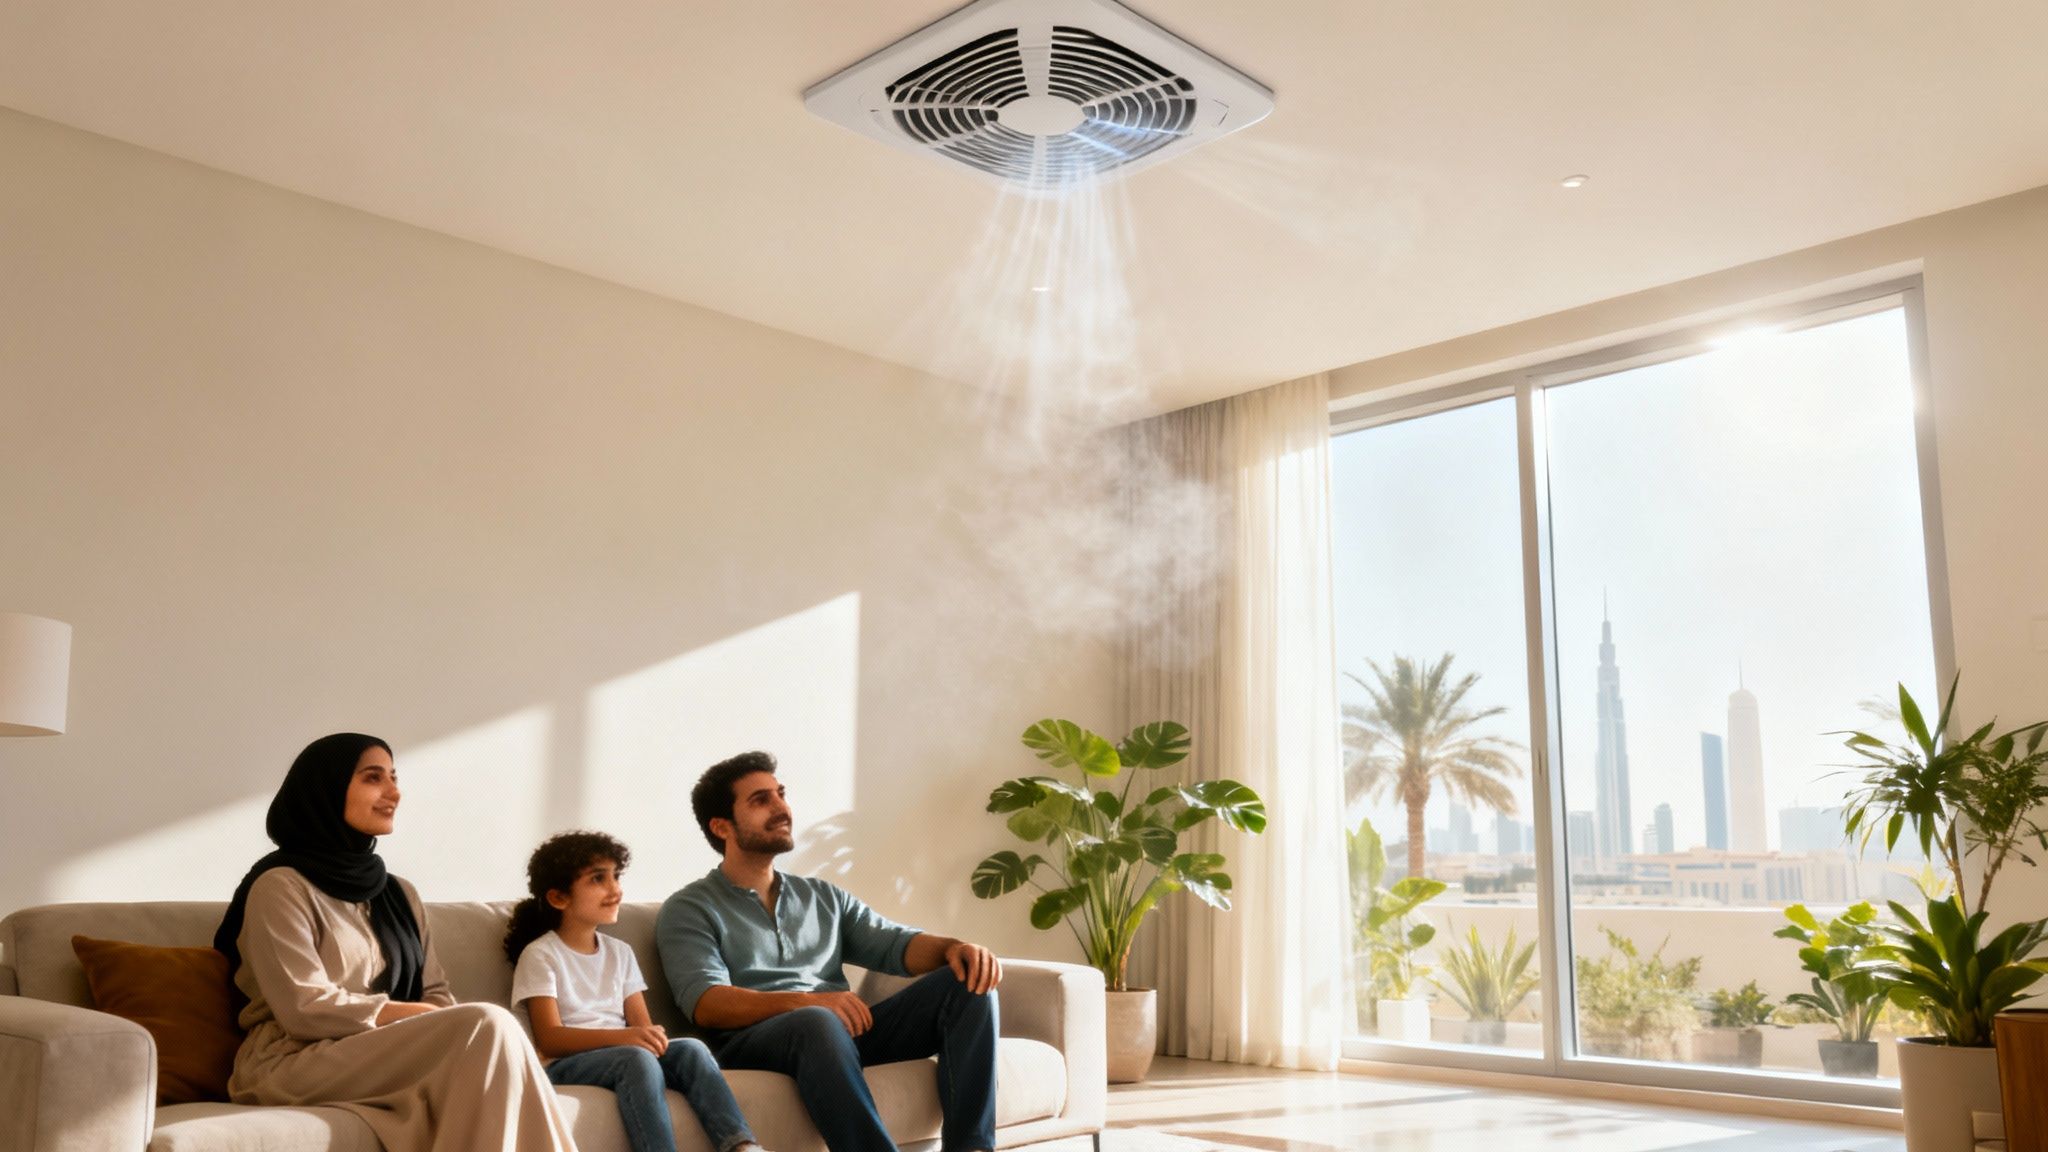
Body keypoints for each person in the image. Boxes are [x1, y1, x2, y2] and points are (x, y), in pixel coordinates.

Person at [214, 732, 576, 1152]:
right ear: (327, 789)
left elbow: (435, 992)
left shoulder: (398, 894)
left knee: (491, 1032)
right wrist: (418, 1016)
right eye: (373, 778)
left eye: (394, 777)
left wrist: (429, 1017)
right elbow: (303, 1008)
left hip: (380, 1052)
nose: (394, 792)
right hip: (293, 1059)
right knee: (488, 1024)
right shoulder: (280, 887)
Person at [657, 751, 1002, 1152]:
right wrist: (809, 1002)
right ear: (722, 827)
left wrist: (955, 948)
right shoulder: (689, 908)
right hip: (756, 1042)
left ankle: (973, 1148)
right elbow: (707, 1003)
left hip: (837, 1034)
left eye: (780, 793)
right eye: (760, 800)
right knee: (816, 1020)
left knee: (967, 985)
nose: (781, 807)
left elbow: (895, 943)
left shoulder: (820, 895)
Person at [505, 830, 771, 1152]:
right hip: (562, 1065)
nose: (615, 889)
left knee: (691, 1049)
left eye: (615, 877)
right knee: (635, 1058)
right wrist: (627, 1039)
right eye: (597, 879)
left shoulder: (620, 953)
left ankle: (741, 1145)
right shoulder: (541, 955)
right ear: (559, 898)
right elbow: (550, 1038)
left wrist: (646, 1037)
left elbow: (642, 1029)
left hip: (623, 1054)